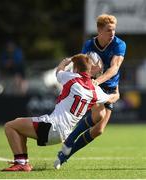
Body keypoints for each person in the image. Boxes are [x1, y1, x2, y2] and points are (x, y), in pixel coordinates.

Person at [2, 53, 118, 172]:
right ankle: (23, 162)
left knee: (10, 126)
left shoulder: (71, 78)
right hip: (64, 133)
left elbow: (58, 71)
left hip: (52, 127)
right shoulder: (95, 90)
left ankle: (21, 163)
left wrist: (64, 62)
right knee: (18, 124)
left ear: (76, 68)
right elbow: (113, 98)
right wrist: (116, 89)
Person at [54, 14, 126, 169]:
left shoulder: (119, 44)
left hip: (108, 85)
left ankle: (65, 154)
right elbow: (81, 66)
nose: (112, 33)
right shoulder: (89, 45)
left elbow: (114, 68)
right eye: (108, 30)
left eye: (114, 30)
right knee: (98, 115)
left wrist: (102, 83)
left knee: (99, 130)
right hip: (93, 85)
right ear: (99, 30)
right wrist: (85, 82)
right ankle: (70, 138)